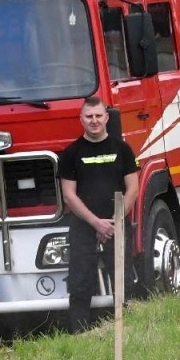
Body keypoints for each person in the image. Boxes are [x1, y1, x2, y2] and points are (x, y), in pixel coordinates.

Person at [58, 95, 139, 332]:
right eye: (88, 117)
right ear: (80, 119)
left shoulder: (122, 149)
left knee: (122, 279)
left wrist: (114, 221)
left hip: (116, 223)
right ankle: (79, 333)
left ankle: (125, 329)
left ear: (106, 118)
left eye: (98, 116)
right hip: (84, 225)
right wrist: (96, 224)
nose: (94, 121)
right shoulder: (71, 153)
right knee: (80, 281)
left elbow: (133, 188)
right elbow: (69, 196)